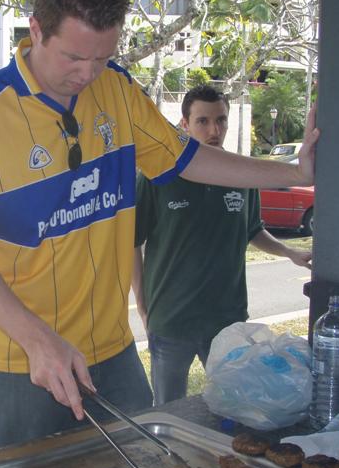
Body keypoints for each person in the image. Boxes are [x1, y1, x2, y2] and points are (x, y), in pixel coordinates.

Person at [0, 0, 319, 452]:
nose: (87, 74)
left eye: (102, 57)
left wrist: (295, 174)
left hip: (110, 354)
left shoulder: (116, 88)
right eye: (74, 56)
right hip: (19, 360)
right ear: (36, 30)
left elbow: (188, 158)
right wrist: (37, 340)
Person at [132, 85, 313, 405]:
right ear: (184, 125)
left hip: (227, 320)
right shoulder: (158, 175)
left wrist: (288, 252)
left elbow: (252, 230)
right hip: (172, 321)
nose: (214, 130)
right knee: (168, 409)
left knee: (232, 406)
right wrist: (144, 308)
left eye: (221, 120)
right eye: (202, 121)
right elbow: (132, 243)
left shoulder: (242, 176)